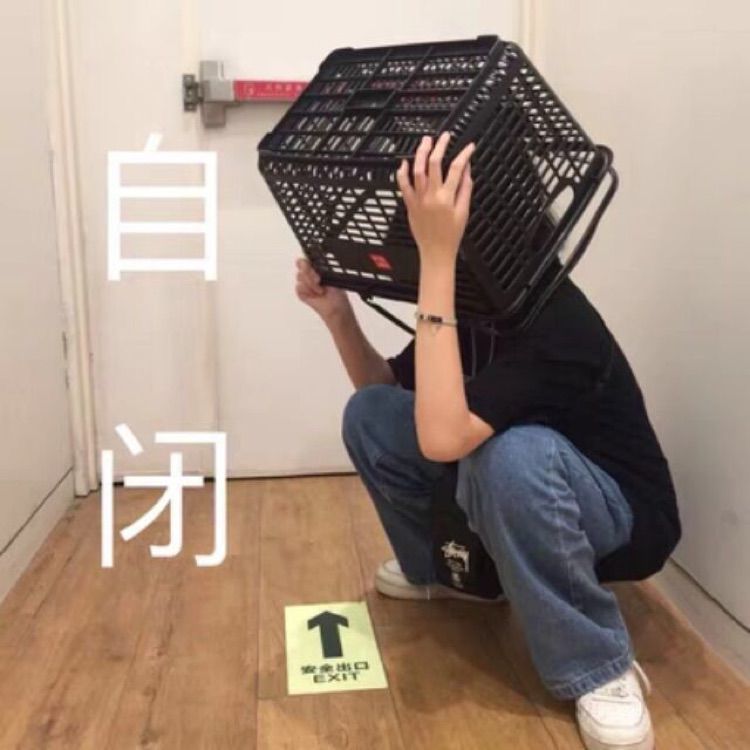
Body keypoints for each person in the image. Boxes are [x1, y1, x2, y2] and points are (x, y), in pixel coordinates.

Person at [294, 132, 680, 750]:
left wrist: (438, 261)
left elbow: (443, 439)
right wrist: (338, 316)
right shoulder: (474, 306)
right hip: (517, 492)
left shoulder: (554, 319)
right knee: (371, 414)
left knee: (513, 454)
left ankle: (599, 663)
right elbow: (389, 392)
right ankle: (455, 575)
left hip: (617, 518)